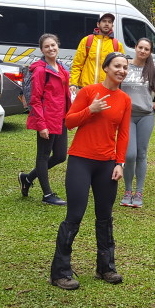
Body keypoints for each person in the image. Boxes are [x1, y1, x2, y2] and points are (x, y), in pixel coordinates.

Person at [49, 52, 131, 290]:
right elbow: (69, 121)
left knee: (105, 216)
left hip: (107, 163)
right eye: (117, 66)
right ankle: (60, 272)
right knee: (75, 215)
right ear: (106, 67)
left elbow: (124, 134)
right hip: (81, 161)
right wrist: (91, 109)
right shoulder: (88, 92)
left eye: (125, 67)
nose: (122, 70)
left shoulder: (125, 99)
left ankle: (106, 267)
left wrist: (120, 163)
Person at [19, 34, 70, 206]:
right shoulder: (40, 70)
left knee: (61, 156)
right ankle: (47, 194)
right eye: (47, 46)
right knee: (43, 156)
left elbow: (64, 95)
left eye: (53, 45)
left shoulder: (61, 68)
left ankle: (27, 178)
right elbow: (35, 99)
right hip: (46, 120)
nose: (51, 49)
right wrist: (41, 125)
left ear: (58, 46)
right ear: (42, 50)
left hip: (60, 118)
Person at [119, 38, 155, 208]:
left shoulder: (151, 70)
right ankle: (128, 190)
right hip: (127, 116)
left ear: (150, 52)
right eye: (141, 47)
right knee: (129, 154)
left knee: (142, 153)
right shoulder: (125, 66)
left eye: (147, 49)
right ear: (135, 48)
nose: (143, 51)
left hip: (146, 115)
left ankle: (138, 191)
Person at [68, 12, 125, 94]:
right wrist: (73, 83)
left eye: (109, 22)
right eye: (104, 21)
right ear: (98, 24)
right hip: (86, 88)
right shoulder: (87, 40)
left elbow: (120, 69)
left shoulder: (117, 45)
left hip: (106, 90)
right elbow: (77, 64)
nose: (107, 24)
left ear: (112, 26)